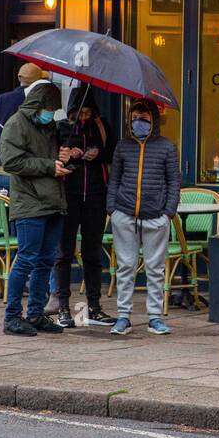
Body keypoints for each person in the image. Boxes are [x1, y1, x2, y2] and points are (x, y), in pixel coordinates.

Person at [0, 79, 71, 337]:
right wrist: (50, 166)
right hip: (29, 202)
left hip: (52, 201)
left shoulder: (50, 127)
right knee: (27, 259)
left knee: (46, 260)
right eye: (49, 107)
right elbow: (12, 162)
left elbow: (49, 160)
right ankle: (12, 316)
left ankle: (36, 313)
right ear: (38, 105)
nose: (51, 113)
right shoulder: (16, 124)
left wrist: (62, 158)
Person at [106, 98, 181, 336]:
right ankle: (124, 316)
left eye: (144, 119)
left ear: (154, 121)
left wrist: (168, 212)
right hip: (124, 213)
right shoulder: (122, 146)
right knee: (125, 266)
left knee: (155, 268)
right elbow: (114, 179)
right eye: (135, 118)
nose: (138, 123)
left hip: (155, 216)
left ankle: (155, 317)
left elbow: (174, 182)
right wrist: (112, 208)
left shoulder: (167, 147)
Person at [52, 96, 116, 327]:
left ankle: (94, 307)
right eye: (80, 113)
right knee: (64, 253)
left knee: (92, 252)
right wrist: (69, 155)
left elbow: (112, 153)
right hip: (69, 195)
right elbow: (54, 158)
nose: (84, 117)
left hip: (96, 195)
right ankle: (63, 308)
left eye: (88, 113)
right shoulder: (61, 128)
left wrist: (97, 154)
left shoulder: (102, 126)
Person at [0, 63, 48, 192]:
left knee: (0, 212)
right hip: (29, 174)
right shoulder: (40, 104)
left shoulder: (1, 100)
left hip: (2, 171)